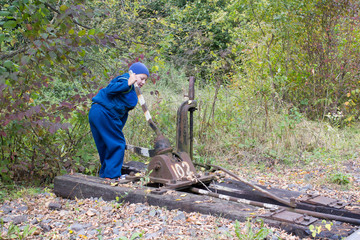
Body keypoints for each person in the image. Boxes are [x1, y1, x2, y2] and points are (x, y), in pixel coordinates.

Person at [88, 62, 149, 180]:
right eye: (142, 78)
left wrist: (118, 127)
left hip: (98, 113)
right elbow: (109, 90)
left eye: (145, 80)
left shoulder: (132, 88)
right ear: (133, 74)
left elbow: (123, 112)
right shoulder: (125, 79)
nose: (143, 82)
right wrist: (128, 82)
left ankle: (106, 175)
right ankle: (113, 176)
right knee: (117, 144)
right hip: (103, 112)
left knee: (106, 145)